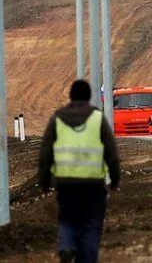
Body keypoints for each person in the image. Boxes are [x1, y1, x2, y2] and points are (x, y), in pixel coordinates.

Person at [37, 79, 121, 263]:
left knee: (67, 219)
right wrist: (115, 179)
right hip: (93, 185)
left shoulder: (57, 118)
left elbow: (45, 151)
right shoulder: (97, 118)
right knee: (91, 225)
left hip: (66, 183)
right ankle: (87, 259)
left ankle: (66, 246)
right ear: (89, 97)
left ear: (71, 95)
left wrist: (44, 181)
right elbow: (111, 152)